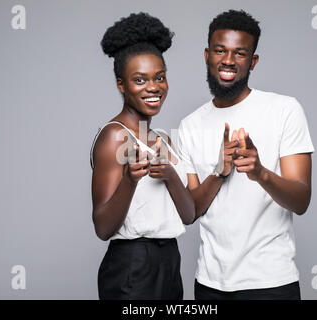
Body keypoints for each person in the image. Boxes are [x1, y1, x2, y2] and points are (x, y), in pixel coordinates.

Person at [176, 10, 315, 300]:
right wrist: (219, 171)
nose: (228, 60)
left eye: (240, 53)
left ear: (253, 62)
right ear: (206, 55)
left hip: (271, 283)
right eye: (220, 50)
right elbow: (191, 211)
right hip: (209, 284)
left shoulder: (285, 110)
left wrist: (261, 173)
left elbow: (301, 200)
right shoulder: (190, 125)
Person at [90, 12, 195, 300]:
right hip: (132, 266)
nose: (153, 87)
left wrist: (171, 176)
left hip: (170, 262)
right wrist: (129, 180)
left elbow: (188, 216)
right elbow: (102, 227)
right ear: (121, 85)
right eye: (140, 79)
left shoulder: (163, 139)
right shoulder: (115, 136)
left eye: (159, 77)